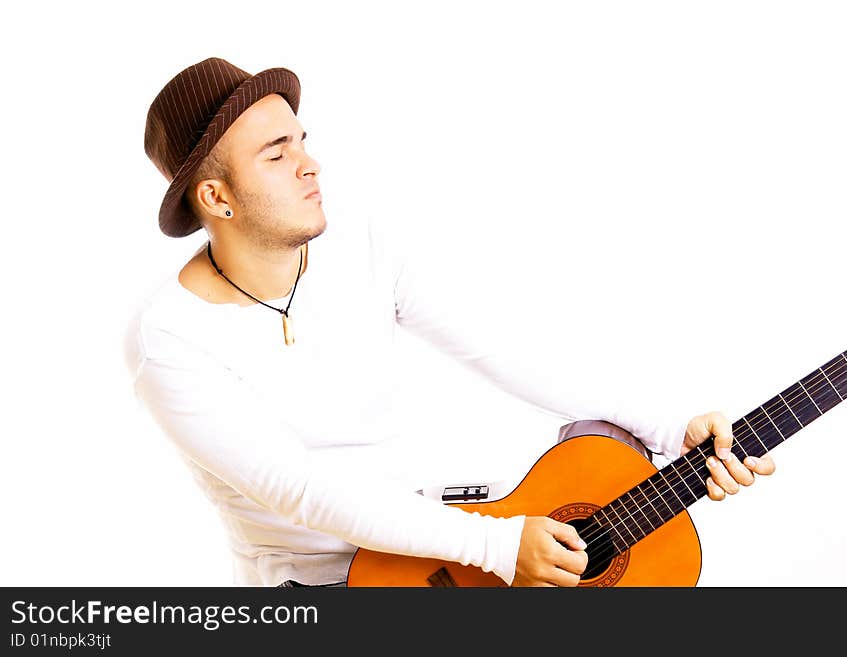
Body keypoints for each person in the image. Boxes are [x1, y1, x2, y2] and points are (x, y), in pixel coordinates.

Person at [125, 57, 776, 588]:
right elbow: (300, 489)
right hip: (327, 590)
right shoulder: (169, 340)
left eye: (302, 141)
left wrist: (667, 425)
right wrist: (494, 543)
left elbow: (507, 348)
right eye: (275, 155)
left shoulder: (363, 248)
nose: (310, 164)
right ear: (216, 197)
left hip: (435, 546)